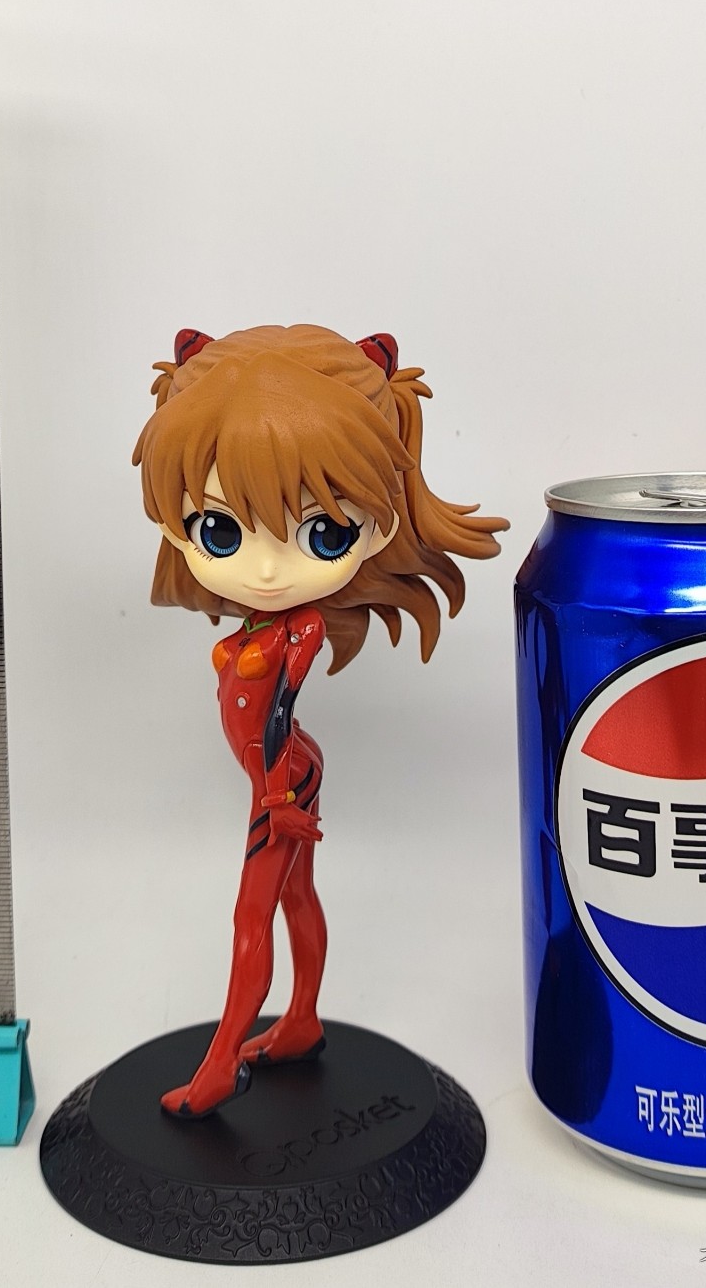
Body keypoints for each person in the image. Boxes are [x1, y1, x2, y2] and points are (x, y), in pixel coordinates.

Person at [133, 323, 507, 1117]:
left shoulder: (296, 630)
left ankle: (219, 1065)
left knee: (252, 914)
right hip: (281, 776)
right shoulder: (262, 623)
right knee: (294, 896)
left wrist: (276, 796)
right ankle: (299, 1021)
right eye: (220, 530)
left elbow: (276, 714)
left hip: (282, 779)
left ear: (379, 524)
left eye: (322, 533)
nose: (268, 569)